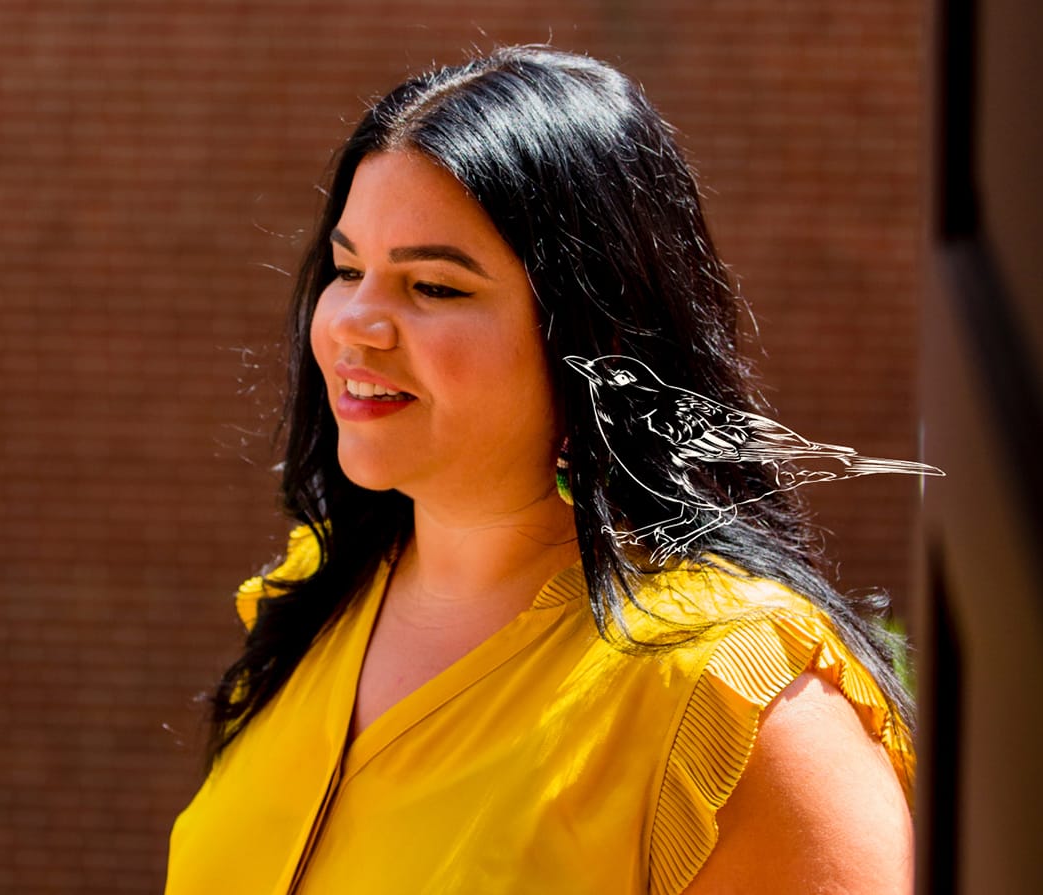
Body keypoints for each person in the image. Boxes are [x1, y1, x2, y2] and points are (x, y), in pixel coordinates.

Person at [167, 45, 916, 894]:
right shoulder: (315, 598)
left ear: (599, 342)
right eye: (347, 270)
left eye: (435, 287)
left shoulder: (747, 702)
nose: (355, 323)